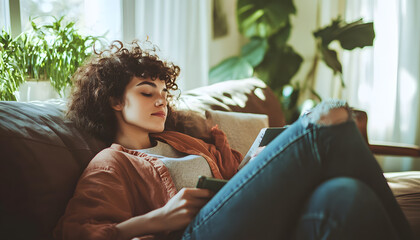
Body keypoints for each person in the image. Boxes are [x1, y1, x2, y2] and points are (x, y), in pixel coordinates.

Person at [54, 41, 412, 240]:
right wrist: (158, 219)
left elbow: (233, 185)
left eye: (164, 91)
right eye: (148, 93)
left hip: (248, 224)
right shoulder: (111, 163)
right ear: (115, 101)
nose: (161, 100)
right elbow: (77, 234)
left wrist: (253, 164)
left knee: (346, 195)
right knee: (331, 117)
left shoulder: (186, 141)